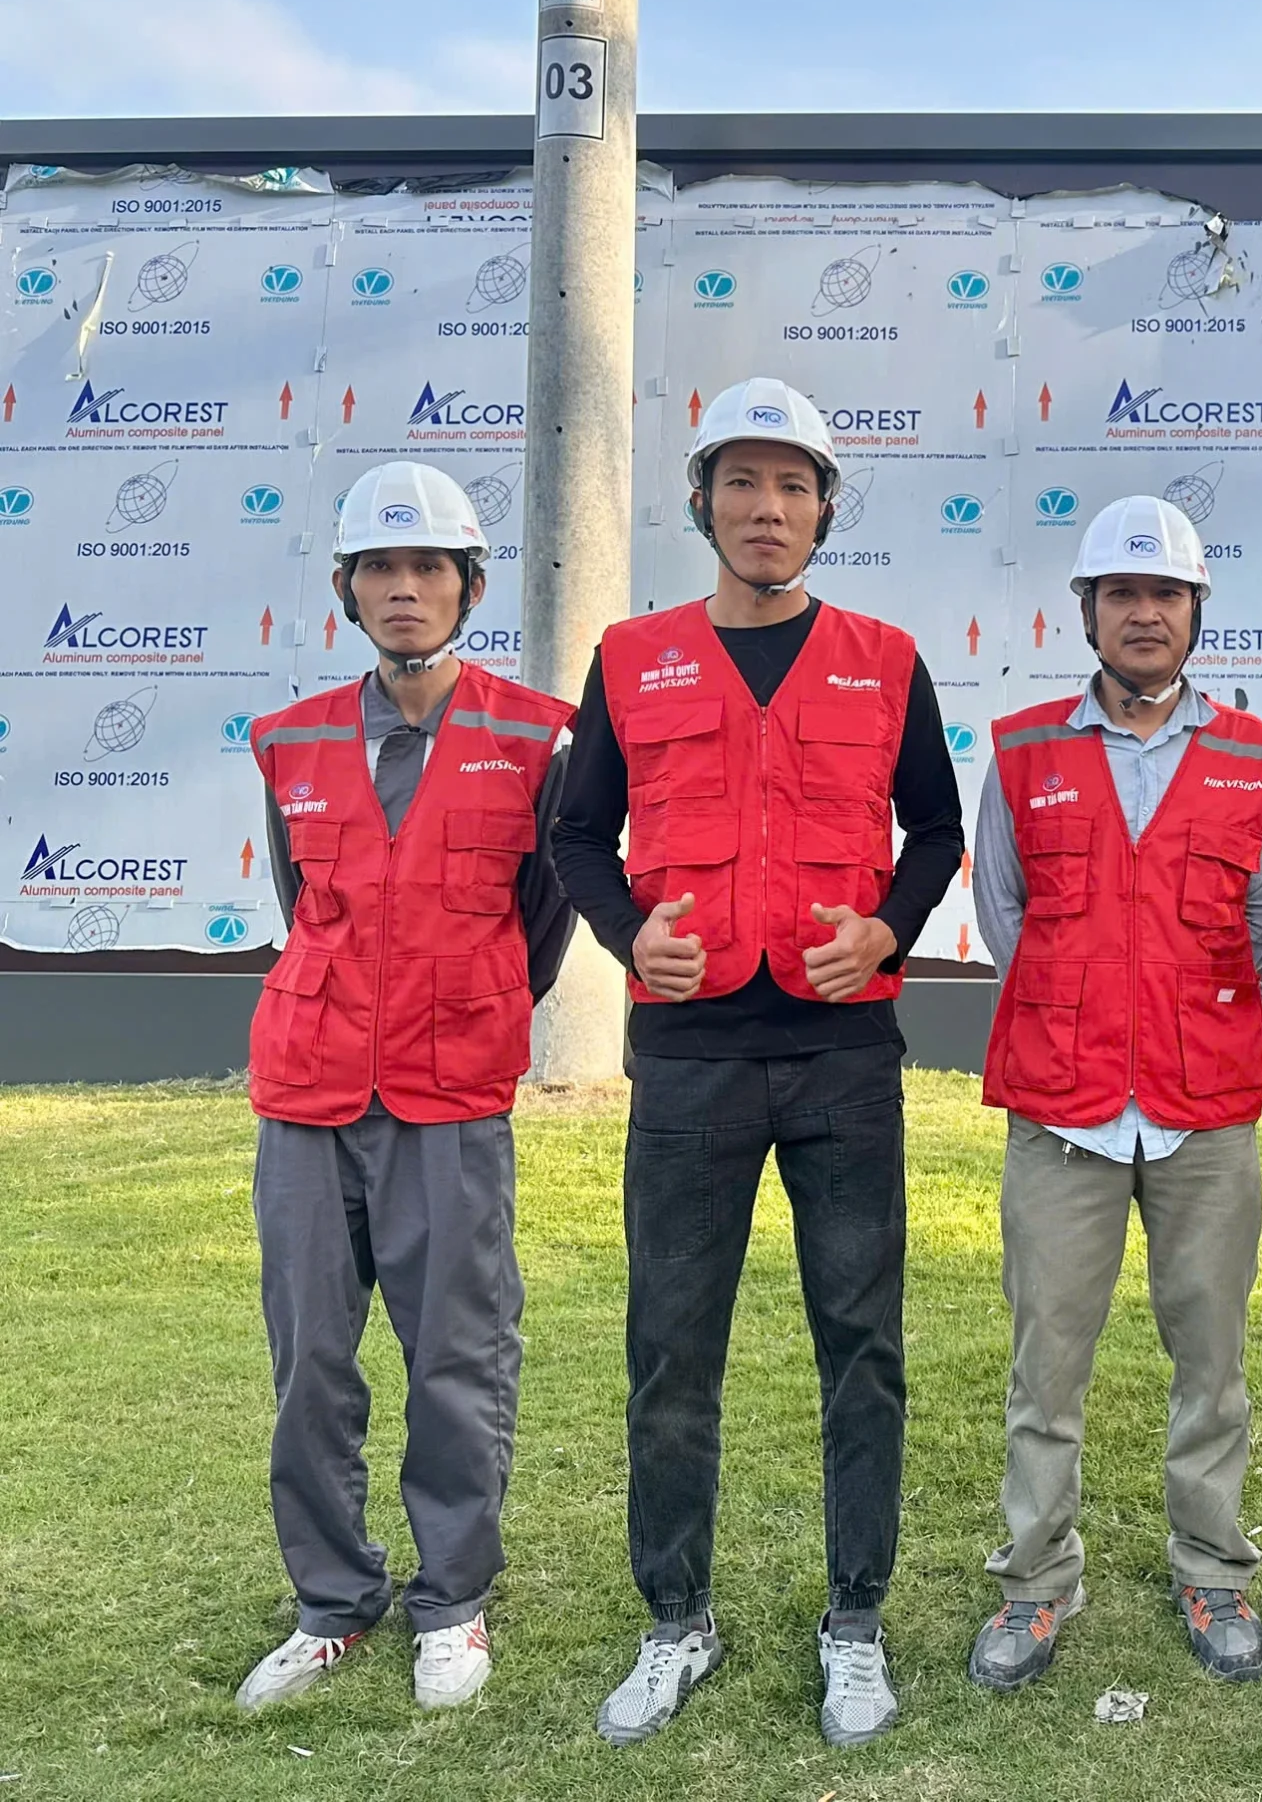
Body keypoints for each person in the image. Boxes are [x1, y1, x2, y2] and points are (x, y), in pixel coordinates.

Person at [552, 378, 964, 1749]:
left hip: (843, 1057)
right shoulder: (632, 659)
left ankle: (857, 1620)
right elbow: (575, 837)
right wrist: (629, 939)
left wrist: (889, 930)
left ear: (826, 509)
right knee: (673, 1352)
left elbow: (935, 830)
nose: (767, 508)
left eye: (793, 485)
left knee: (863, 1348)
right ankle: (677, 1619)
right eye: (742, 481)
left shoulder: (885, 660)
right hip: (690, 1064)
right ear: (702, 502)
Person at [234, 462, 577, 1714]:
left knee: (458, 1355)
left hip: (451, 1090)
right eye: (380, 567)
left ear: (469, 586)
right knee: (310, 1360)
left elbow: (542, 923)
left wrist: (458, 1000)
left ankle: (452, 1602)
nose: (404, 588)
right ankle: (332, 1601)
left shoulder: (539, 738)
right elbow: (303, 908)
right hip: (308, 1089)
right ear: (346, 588)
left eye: (429, 566)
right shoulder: (290, 740)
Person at [965, 497, 1262, 1691]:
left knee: (1210, 1363)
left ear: (1198, 611)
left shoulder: (1260, 759)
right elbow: (1006, 916)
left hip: (1203, 1110)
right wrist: (1088, 1010)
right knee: (1045, 1371)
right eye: (1121, 594)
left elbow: (1260, 922)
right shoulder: (1023, 751)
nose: (1143, 614)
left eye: (1165, 595)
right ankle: (1034, 1584)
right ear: (1087, 612)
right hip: (1064, 1111)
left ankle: (1213, 1571)